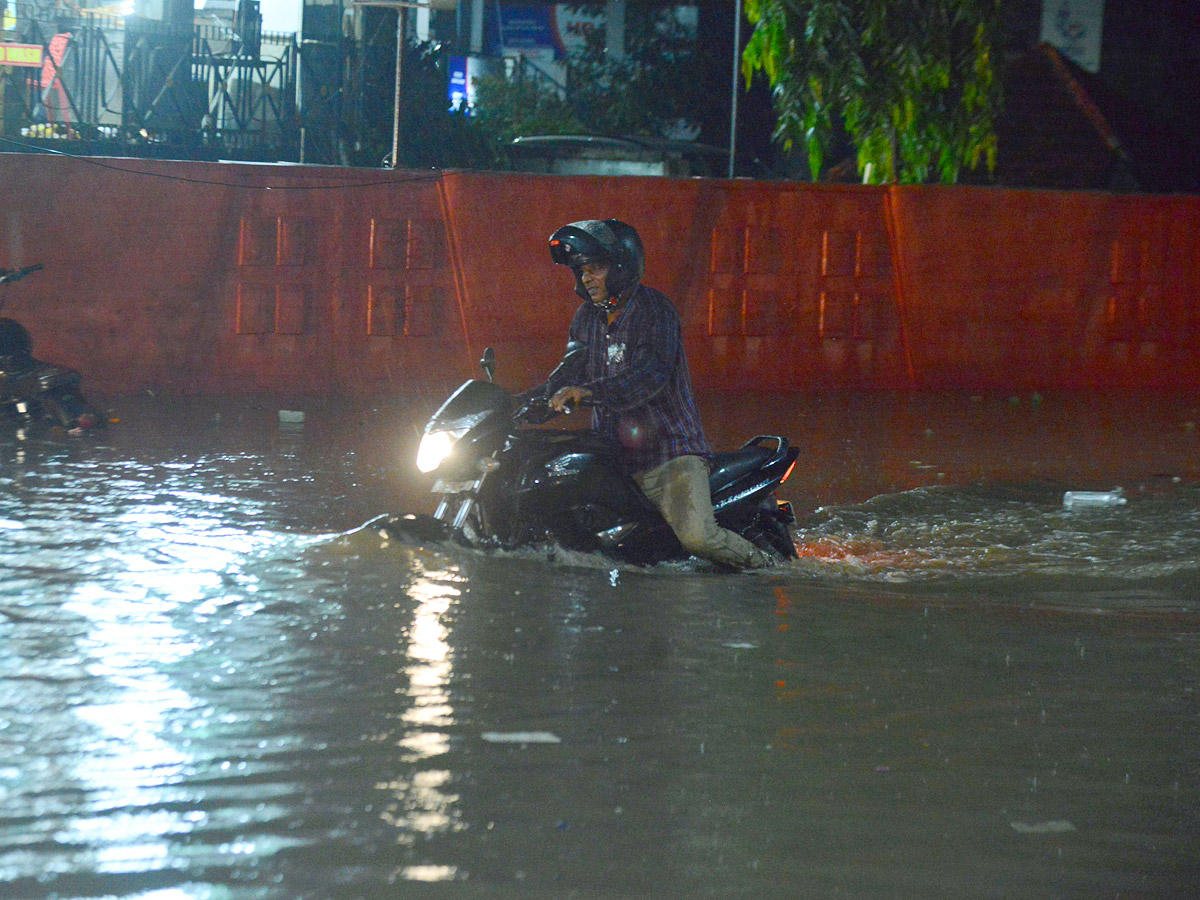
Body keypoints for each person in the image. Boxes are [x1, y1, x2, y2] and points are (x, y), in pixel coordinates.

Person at [528, 218, 774, 570]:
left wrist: (588, 392)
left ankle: (771, 573)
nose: (586, 278)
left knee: (698, 537)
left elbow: (648, 376)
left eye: (596, 267)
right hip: (613, 457)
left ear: (622, 265)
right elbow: (567, 371)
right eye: (581, 270)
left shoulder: (655, 311)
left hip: (669, 456)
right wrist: (525, 404)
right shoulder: (586, 318)